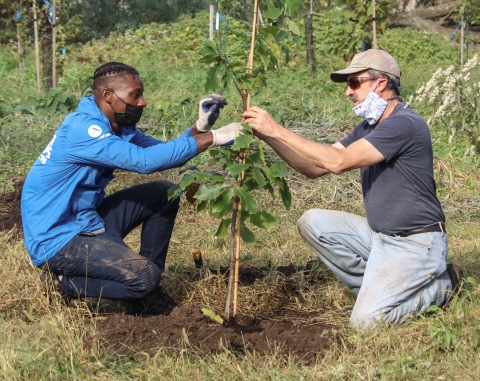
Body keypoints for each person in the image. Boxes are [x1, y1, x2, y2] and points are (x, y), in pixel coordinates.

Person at [243, 49, 462, 329]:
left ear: (381, 82)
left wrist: (278, 129)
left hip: (416, 243)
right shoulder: (368, 128)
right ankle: (370, 294)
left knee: (366, 324)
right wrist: (268, 136)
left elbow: (337, 162)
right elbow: (313, 168)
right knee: (312, 222)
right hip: (379, 237)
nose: (348, 92)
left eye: (354, 83)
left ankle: (443, 285)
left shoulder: (405, 124)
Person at [21, 61, 242, 315]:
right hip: (56, 237)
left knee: (163, 193)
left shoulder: (116, 125)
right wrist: (214, 138)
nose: (142, 102)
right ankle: (65, 283)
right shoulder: (84, 129)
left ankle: (147, 295)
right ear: (108, 95)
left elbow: (160, 152)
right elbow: (144, 162)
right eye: (135, 95)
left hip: (85, 221)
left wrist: (200, 128)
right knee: (144, 277)